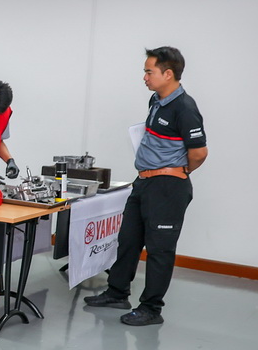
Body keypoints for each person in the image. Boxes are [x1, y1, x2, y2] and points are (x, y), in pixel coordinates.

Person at [84, 47, 207, 326]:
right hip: (144, 182)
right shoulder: (156, 100)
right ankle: (117, 293)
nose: (145, 77)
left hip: (168, 187)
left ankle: (151, 308)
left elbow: (199, 153)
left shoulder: (185, 108)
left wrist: (178, 171)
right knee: (128, 240)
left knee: (159, 250)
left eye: (149, 72)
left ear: (168, 74)